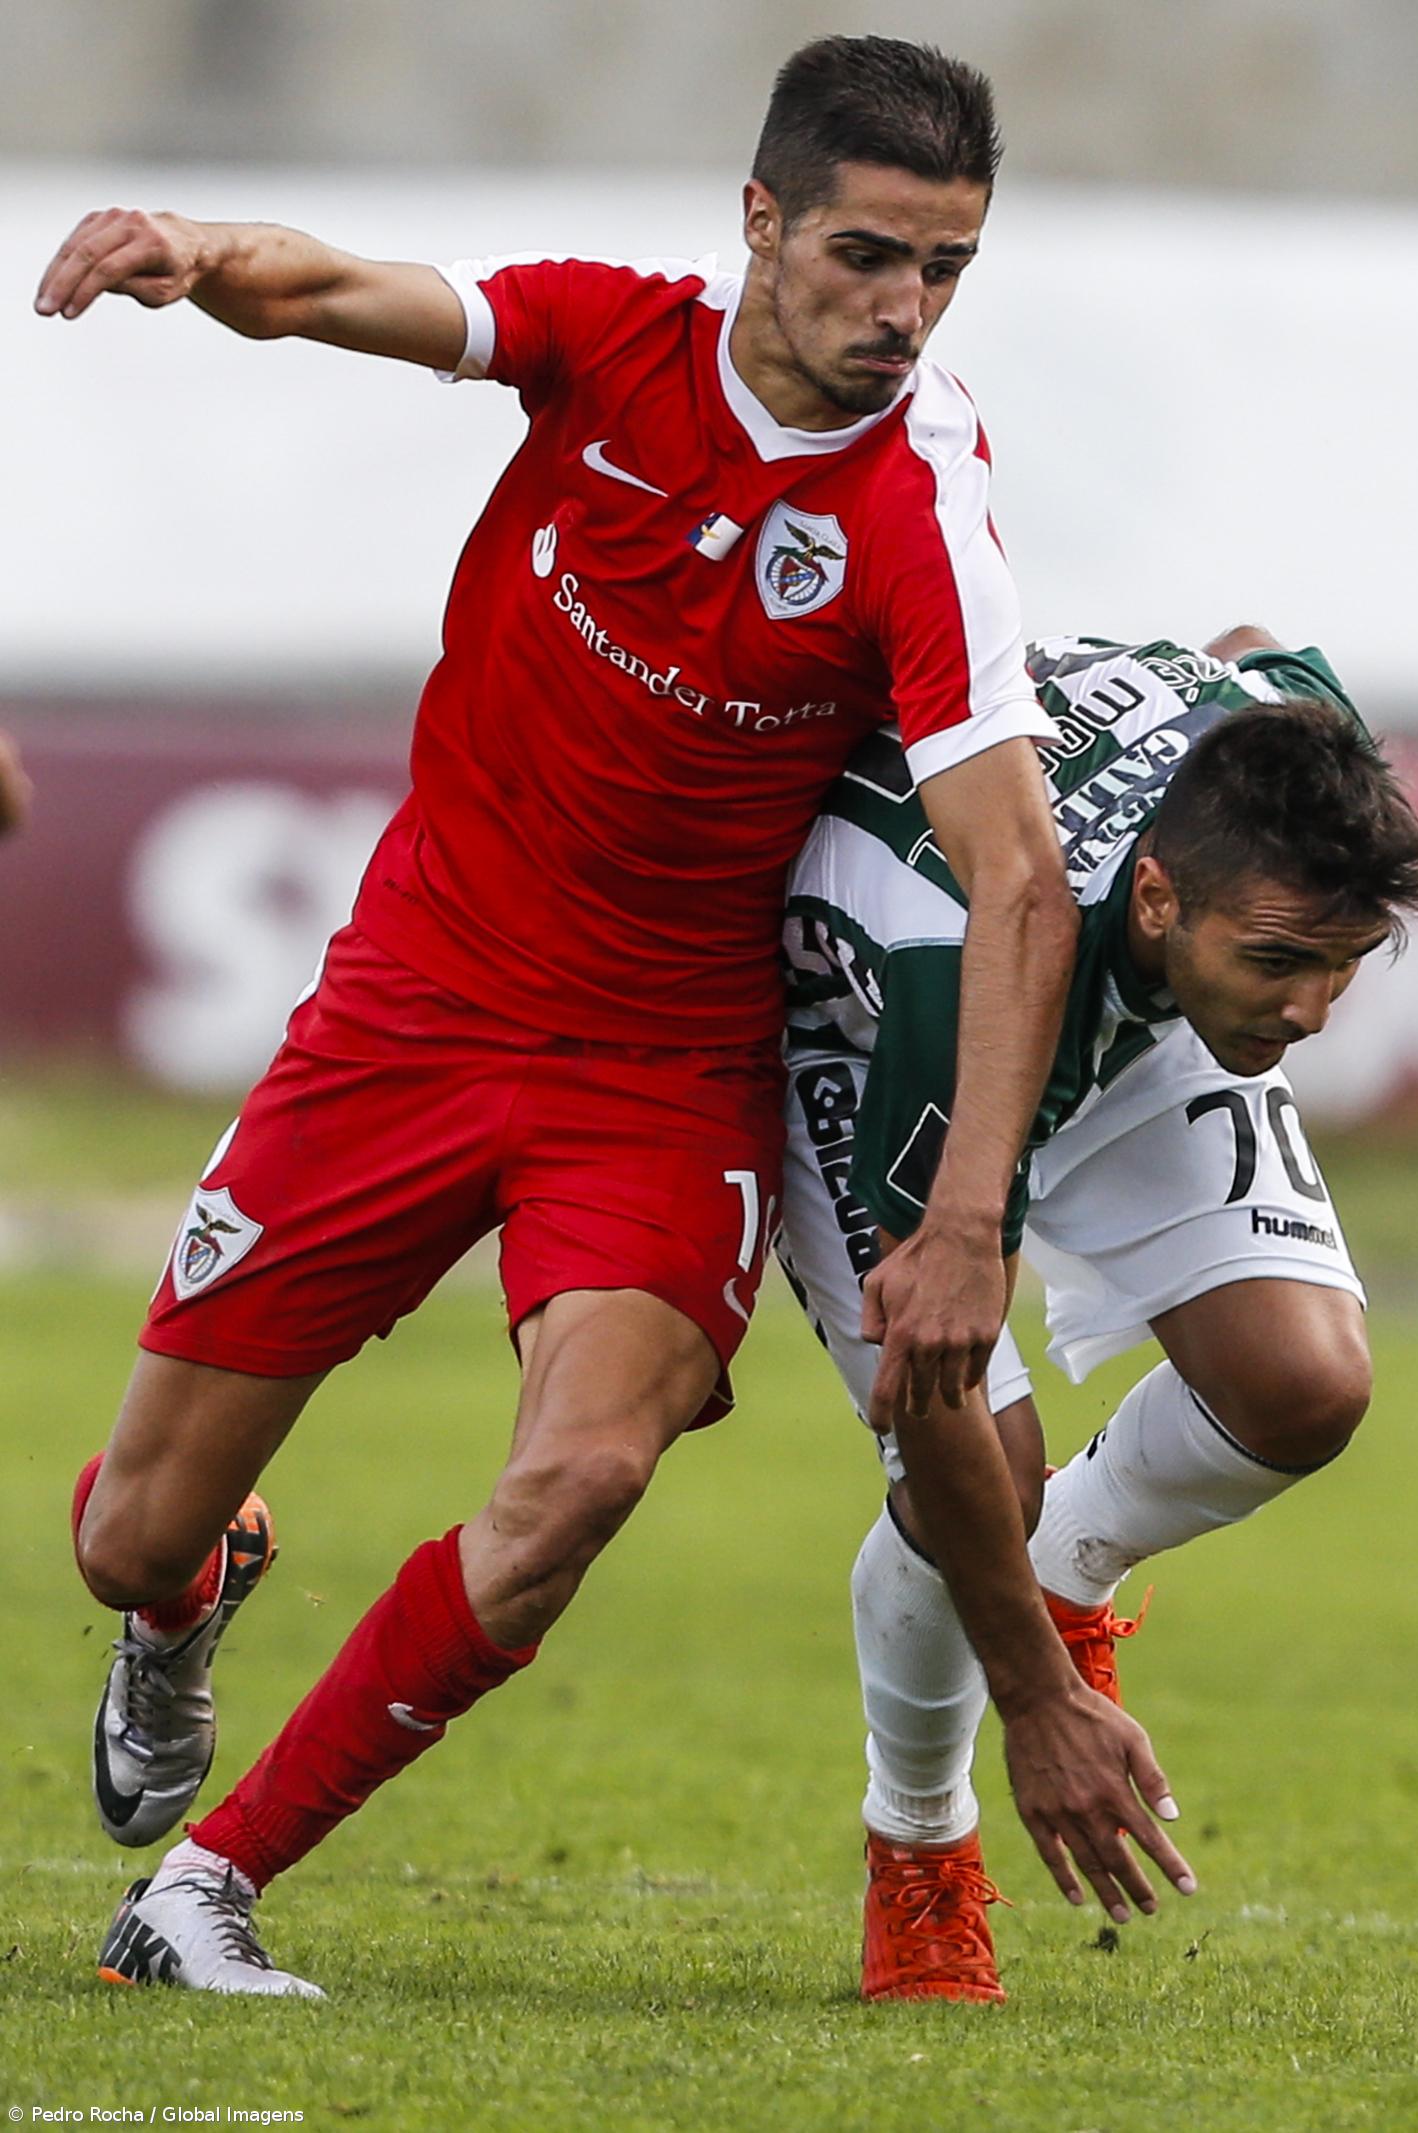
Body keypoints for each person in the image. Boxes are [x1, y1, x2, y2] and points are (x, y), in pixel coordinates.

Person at [45, 37, 1177, 1998]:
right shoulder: (606, 344)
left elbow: (1016, 875)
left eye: (944, 268)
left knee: (582, 1474)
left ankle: (207, 1887)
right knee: (128, 1531)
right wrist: (198, 245)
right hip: (415, 1003)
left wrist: (967, 1216)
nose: (900, 308)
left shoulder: (920, 500)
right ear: (757, 223)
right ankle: (192, 1591)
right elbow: (343, 294)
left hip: (661, 1073)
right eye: (862, 254)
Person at [774, 626, 1418, 2002]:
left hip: (1134, 1006)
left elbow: (1256, 651)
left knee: (1303, 1385)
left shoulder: (1280, 758)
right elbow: (939, 1382)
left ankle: (1068, 1570)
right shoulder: (957, 976)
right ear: (1159, 896)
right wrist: (1033, 1703)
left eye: (1347, 959)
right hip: (877, 1043)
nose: (1316, 1009)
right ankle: (919, 1848)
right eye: (1284, 960)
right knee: (979, 1464)